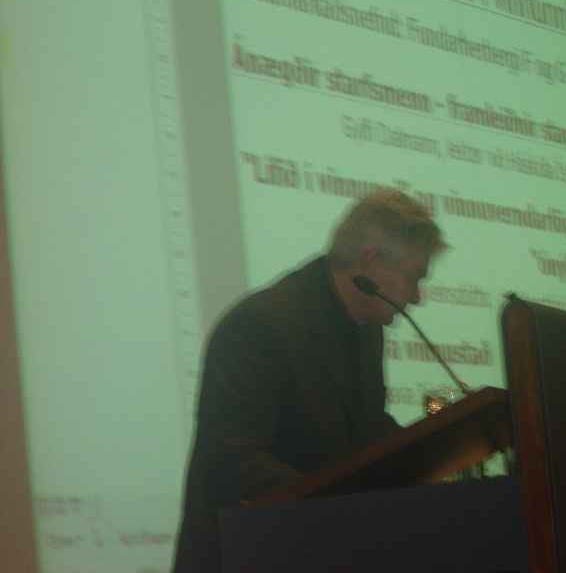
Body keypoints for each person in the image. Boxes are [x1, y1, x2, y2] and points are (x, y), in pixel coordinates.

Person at [172, 189, 446, 573]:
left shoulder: (366, 330)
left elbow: (362, 433)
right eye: (414, 277)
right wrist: (340, 506)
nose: (417, 297)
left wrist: (430, 450)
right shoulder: (260, 325)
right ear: (370, 261)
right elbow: (231, 462)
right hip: (243, 556)